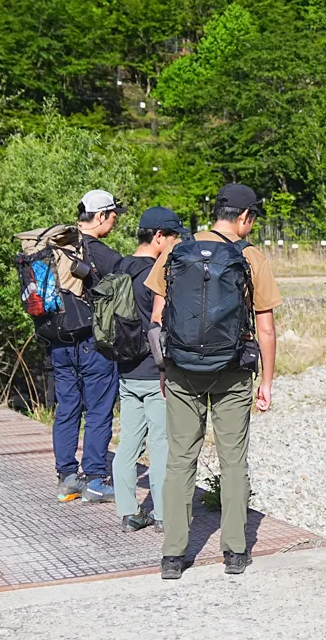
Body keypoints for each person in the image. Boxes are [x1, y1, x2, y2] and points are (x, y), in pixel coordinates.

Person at [145, 184, 281, 578]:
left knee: (179, 460)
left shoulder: (177, 251)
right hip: (234, 372)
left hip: (184, 370)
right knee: (234, 461)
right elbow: (266, 330)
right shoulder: (250, 257)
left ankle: (173, 555)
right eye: (252, 218)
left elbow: (158, 321)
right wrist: (267, 383)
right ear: (243, 217)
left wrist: (164, 370)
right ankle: (235, 552)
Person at [51, 189, 125, 503]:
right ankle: (95, 479)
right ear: (99, 217)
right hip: (92, 342)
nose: (116, 220)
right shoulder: (99, 252)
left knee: (66, 408)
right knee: (97, 410)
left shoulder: (56, 248)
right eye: (113, 215)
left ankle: (68, 479)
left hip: (57, 339)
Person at [111, 207, 182, 530]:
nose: (176, 243)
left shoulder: (119, 267)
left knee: (128, 444)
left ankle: (128, 512)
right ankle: (164, 515)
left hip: (126, 370)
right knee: (161, 444)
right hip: (156, 373)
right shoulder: (157, 274)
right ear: (158, 237)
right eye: (173, 236)